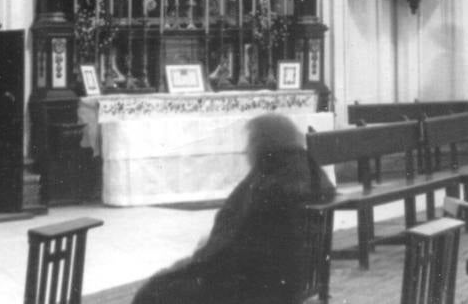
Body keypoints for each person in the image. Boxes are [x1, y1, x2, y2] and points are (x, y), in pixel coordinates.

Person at [132, 112, 336, 304]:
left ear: (263, 143)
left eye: (250, 142)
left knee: (153, 293)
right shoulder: (308, 171)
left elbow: (234, 249)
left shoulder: (269, 183)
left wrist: (197, 260)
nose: (245, 150)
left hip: (252, 287)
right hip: (291, 279)